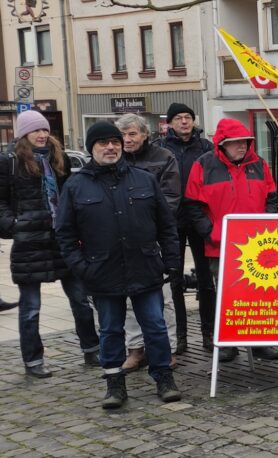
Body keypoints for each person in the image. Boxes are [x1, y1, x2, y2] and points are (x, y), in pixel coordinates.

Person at [55, 121, 181, 409]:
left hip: (145, 267)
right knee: (111, 329)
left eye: (115, 141)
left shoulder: (144, 179)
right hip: (103, 273)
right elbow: (64, 234)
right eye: (103, 143)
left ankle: (164, 377)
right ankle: (114, 383)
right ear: (92, 148)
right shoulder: (76, 185)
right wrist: (82, 268)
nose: (110, 147)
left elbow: (166, 225)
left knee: (155, 326)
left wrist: (170, 262)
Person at [0, 110, 100, 378]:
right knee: (30, 308)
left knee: (80, 299)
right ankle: (33, 362)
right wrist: (13, 224)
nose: (42, 135)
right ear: (24, 134)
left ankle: (92, 349)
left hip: (62, 240)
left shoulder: (59, 158)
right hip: (29, 243)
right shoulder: (9, 162)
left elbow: (71, 194)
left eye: (44, 130)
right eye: (36, 131)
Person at [183, 118, 278, 363]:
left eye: (245, 142)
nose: (242, 146)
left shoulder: (259, 164)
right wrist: (210, 232)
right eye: (236, 142)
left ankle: (260, 342)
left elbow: (271, 196)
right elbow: (193, 204)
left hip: (257, 245)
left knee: (259, 294)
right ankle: (227, 342)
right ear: (223, 144)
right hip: (221, 245)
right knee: (227, 294)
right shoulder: (204, 165)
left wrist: (267, 224)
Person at [115, 113, 183, 371]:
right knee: (129, 298)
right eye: (122, 135)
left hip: (152, 239)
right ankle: (136, 349)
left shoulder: (163, 159)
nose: (127, 140)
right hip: (121, 242)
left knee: (162, 300)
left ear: (145, 134)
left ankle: (167, 349)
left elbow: (170, 200)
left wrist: (141, 223)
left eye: (132, 134)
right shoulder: (112, 160)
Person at [153, 102, 216, 353]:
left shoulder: (206, 148)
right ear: (170, 123)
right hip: (171, 220)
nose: (183, 121)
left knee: (206, 280)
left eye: (187, 117)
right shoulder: (160, 149)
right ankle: (180, 336)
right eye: (178, 118)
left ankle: (209, 334)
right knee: (174, 279)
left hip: (200, 218)